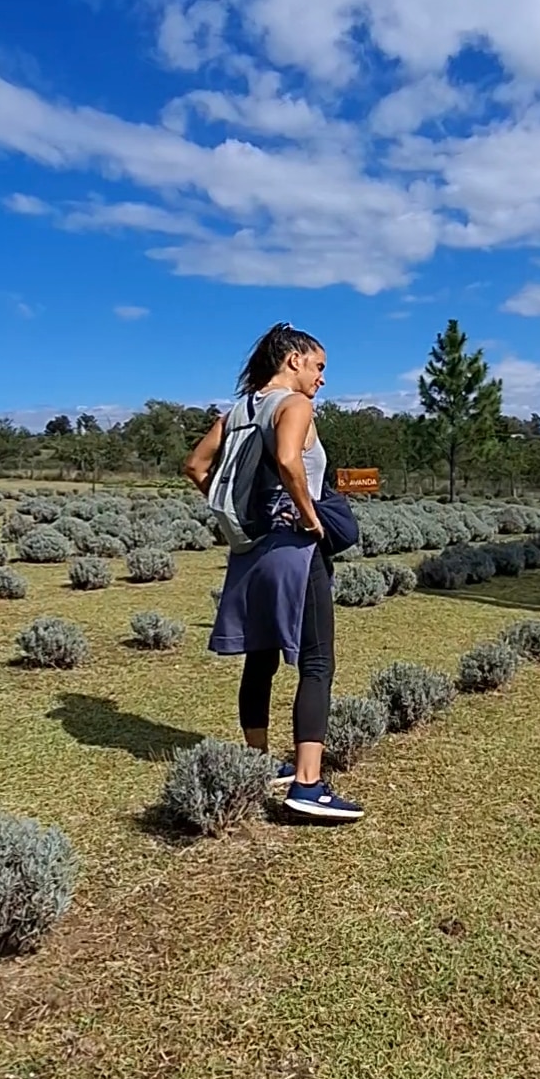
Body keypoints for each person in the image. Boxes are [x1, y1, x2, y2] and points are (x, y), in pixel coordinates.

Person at [183, 322, 364, 822]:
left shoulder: (237, 411)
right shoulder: (295, 405)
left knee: (259, 661)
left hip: (250, 553)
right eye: (319, 366)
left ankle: (260, 762)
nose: (322, 379)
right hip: (294, 554)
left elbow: (196, 466)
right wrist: (309, 518)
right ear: (292, 361)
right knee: (317, 662)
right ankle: (307, 785)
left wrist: (240, 516)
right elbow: (288, 460)